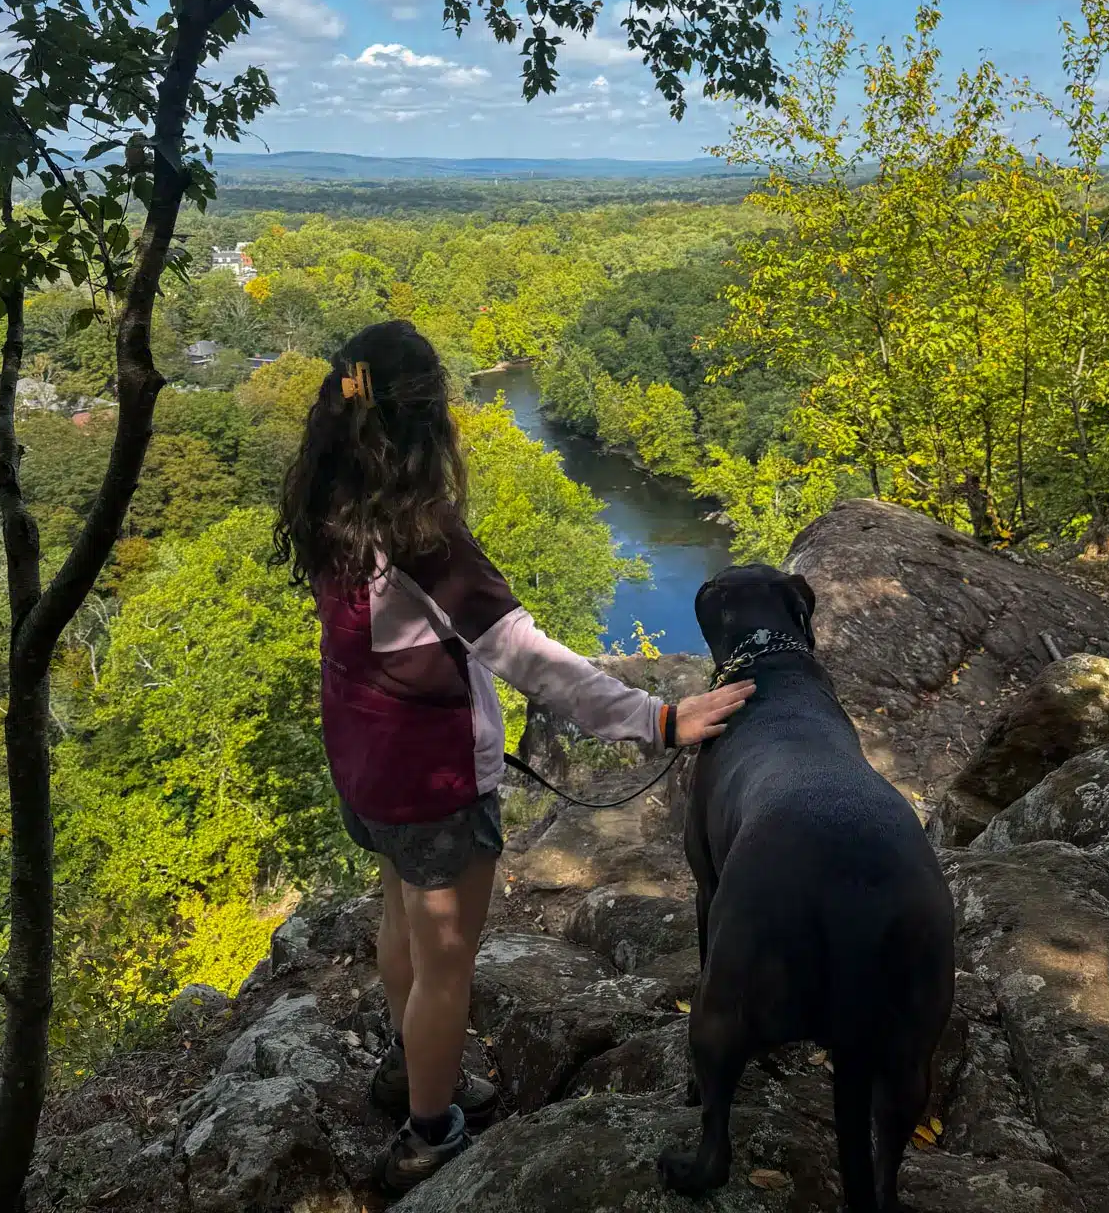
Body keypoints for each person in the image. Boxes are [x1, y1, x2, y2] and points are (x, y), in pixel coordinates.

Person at [274, 320, 755, 1195]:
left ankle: (406, 1068)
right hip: (434, 780)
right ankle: (431, 1131)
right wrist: (661, 719)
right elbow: (529, 657)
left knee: (402, 924)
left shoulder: (327, 505)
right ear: (430, 422)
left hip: (364, 762)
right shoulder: (427, 543)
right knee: (446, 964)